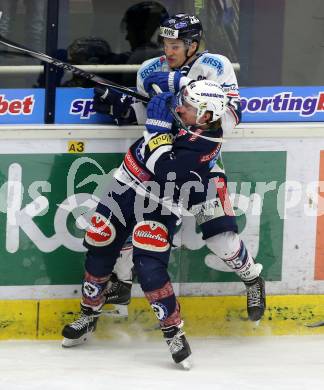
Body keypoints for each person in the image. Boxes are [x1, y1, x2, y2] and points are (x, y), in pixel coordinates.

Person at [62, 80, 264, 369]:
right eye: (183, 100)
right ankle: (88, 314)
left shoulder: (207, 143)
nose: (180, 107)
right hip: (125, 182)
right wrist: (119, 97)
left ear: (206, 116)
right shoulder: (181, 108)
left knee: (150, 266)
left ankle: (173, 331)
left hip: (162, 200)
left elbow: (165, 168)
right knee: (100, 242)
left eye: (189, 107)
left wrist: (157, 129)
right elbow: (145, 107)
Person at [91, 13, 266, 323]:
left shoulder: (216, 66)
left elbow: (230, 118)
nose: (167, 52)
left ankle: (252, 278)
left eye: (175, 45)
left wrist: (183, 84)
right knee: (133, 228)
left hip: (198, 166)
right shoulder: (150, 70)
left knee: (220, 238)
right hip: (158, 166)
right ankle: (121, 282)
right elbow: (148, 113)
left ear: (193, 45)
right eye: (165, 44)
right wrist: (121, 108)